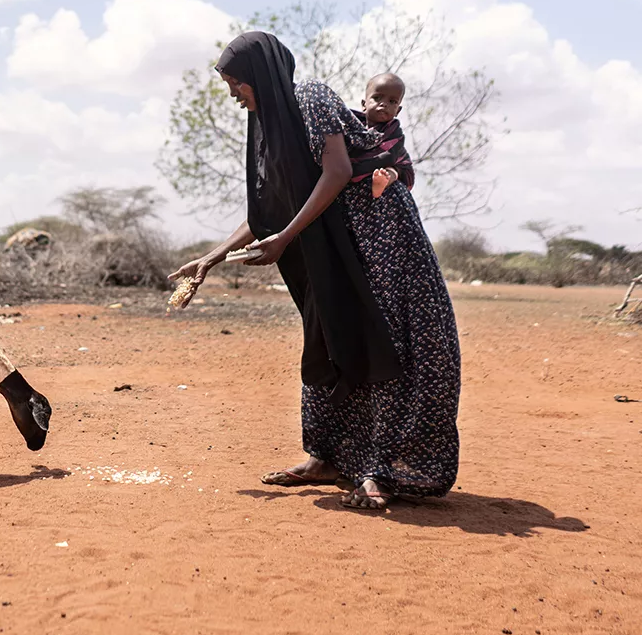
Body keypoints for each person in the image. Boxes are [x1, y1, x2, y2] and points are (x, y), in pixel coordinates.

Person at [169, 31, 460, 510]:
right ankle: (325, 457)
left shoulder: (310, 97)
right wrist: (211, 257)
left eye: (237, 83)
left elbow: (338, 171)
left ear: (262, 74)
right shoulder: (271, 128)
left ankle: (384, 468)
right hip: (335, 242)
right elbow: (272, 207)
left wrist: (285, 238)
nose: (233, 95)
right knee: (327, 336)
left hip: (382, 236)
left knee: (383, 340)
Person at [349, 72, 414, 199]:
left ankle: (380, 185)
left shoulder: (393, 134)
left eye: (392, 101)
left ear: (398, 111)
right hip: (361, 175)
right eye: (377, 98)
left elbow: (392, 158)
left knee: (391, 171)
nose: (384, 104)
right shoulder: (352, 126)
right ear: (364, 104)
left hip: (394, 170)